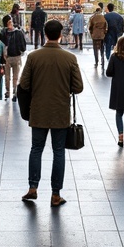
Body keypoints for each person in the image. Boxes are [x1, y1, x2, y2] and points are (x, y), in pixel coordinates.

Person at [19, 20, 83, 207]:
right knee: (58, 152)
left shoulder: (33, 57)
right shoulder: (70, 59)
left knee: (36, 149)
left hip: (38, 111)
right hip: (60, 112)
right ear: (60, 35)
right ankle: (56, 194)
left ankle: (33, 188)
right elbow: (78, 87)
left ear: (45, 34)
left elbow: (24, 84)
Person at [1, 14, 27, 101]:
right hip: (8, 57)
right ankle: (9, 91)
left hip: (14, 56)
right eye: (9, 22)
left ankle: (14, 92)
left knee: (15, 76)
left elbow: (23, 45)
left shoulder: (16, 32)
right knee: (8, 77)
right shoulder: (5, 33)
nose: (10, 24)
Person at [88, 4, 107, 69]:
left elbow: (90, 27)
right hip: (102, 35)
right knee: (102, 48)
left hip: (95, 35)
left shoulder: (93, 18)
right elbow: (106, 26)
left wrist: (91, 32)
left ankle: (96, 61)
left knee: (95, 49)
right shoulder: (103, 17)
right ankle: (102, 60)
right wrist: (104, 32)